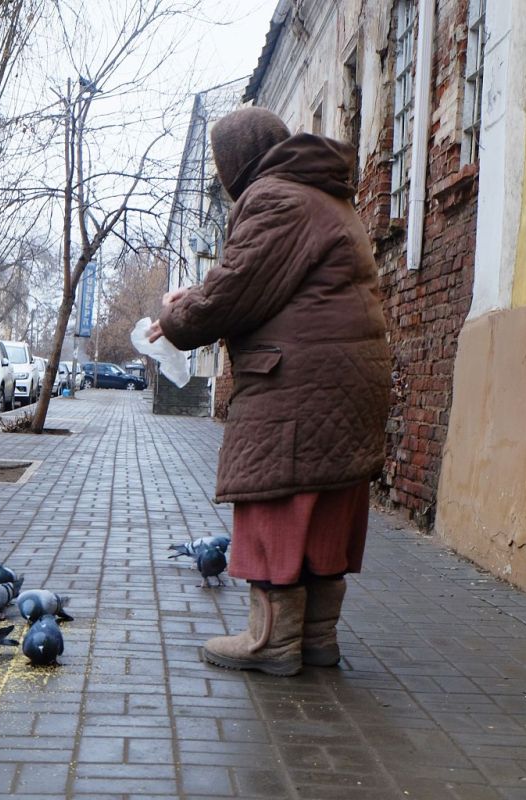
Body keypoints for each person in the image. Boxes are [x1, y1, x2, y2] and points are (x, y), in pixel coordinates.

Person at [149, 107, 391, 676]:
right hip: (345, 380)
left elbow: (235, 291)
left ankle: (271, 640)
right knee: (325, 505)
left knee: (275, 501)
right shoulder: (323, 196)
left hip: (295, 385)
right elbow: (268, 279)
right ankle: (316, 636)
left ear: (238, 162)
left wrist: (179, 315)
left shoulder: (275, 197)